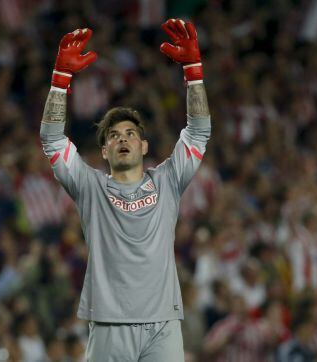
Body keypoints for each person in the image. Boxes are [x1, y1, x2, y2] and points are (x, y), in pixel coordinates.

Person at [39, 18, 211, 361]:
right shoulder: (89, 187)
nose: (122, 138)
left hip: (163, 323)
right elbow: (52, 139)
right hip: (110, 324)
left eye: (130, 133)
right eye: (113, 135)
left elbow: (198, 132)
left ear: (144, 146)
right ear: (104, 152)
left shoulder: (168, 180)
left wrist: (194, 71)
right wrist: (60, 82)